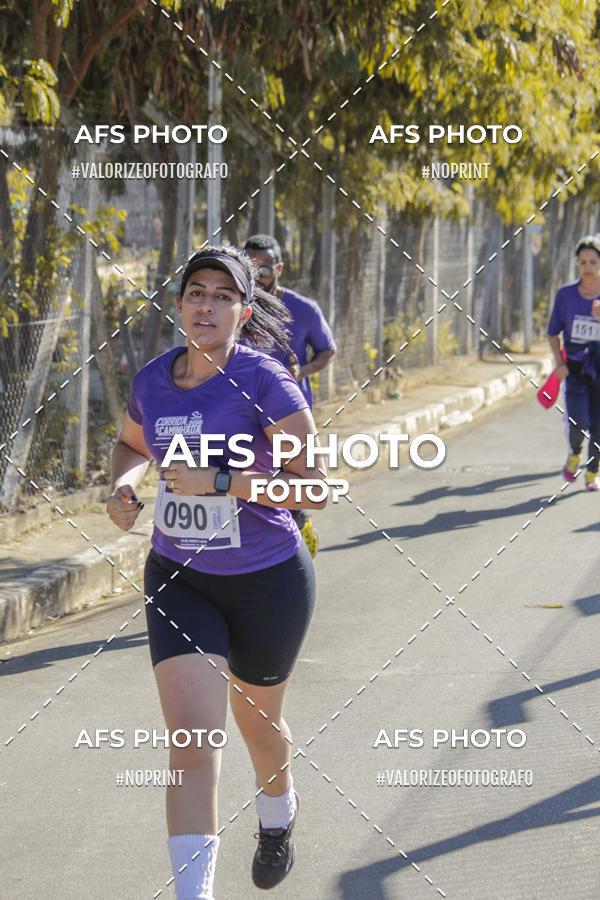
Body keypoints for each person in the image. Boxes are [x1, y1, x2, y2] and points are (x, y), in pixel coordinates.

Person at [106, 246, 327, 898]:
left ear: (243, 310)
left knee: (258, 729)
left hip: (268, 581)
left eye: (222, 295)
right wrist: (122, 487)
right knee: (195, 741)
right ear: (178, 306)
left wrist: (224, 481)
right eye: (196, 292)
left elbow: (313, 489)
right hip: (180, 577)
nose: (206, 305)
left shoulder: (266, 383)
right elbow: (129, 445)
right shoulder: (153, 380)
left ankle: (277, 818)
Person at [244, 233, 336, 555]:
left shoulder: (304, 310)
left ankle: (300, 541)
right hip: (244, 419)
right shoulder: (234, 308)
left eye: (266, 270)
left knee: (293, 488)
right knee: (249, 488)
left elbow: (326, 351)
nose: (260, 278)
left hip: (290, 421)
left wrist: (302, 371)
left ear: (279, 268)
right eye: (252, 271)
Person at [547, 234, 600, 490]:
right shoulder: (566, 295)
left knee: (599, 425)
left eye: (593, 262)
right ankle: (575, 453)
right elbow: (552, 332)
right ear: (577, 264)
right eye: (583, 262)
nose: (587, 267)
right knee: (579, 423)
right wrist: (560, 364)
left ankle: (592, 473)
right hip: (576, 369)